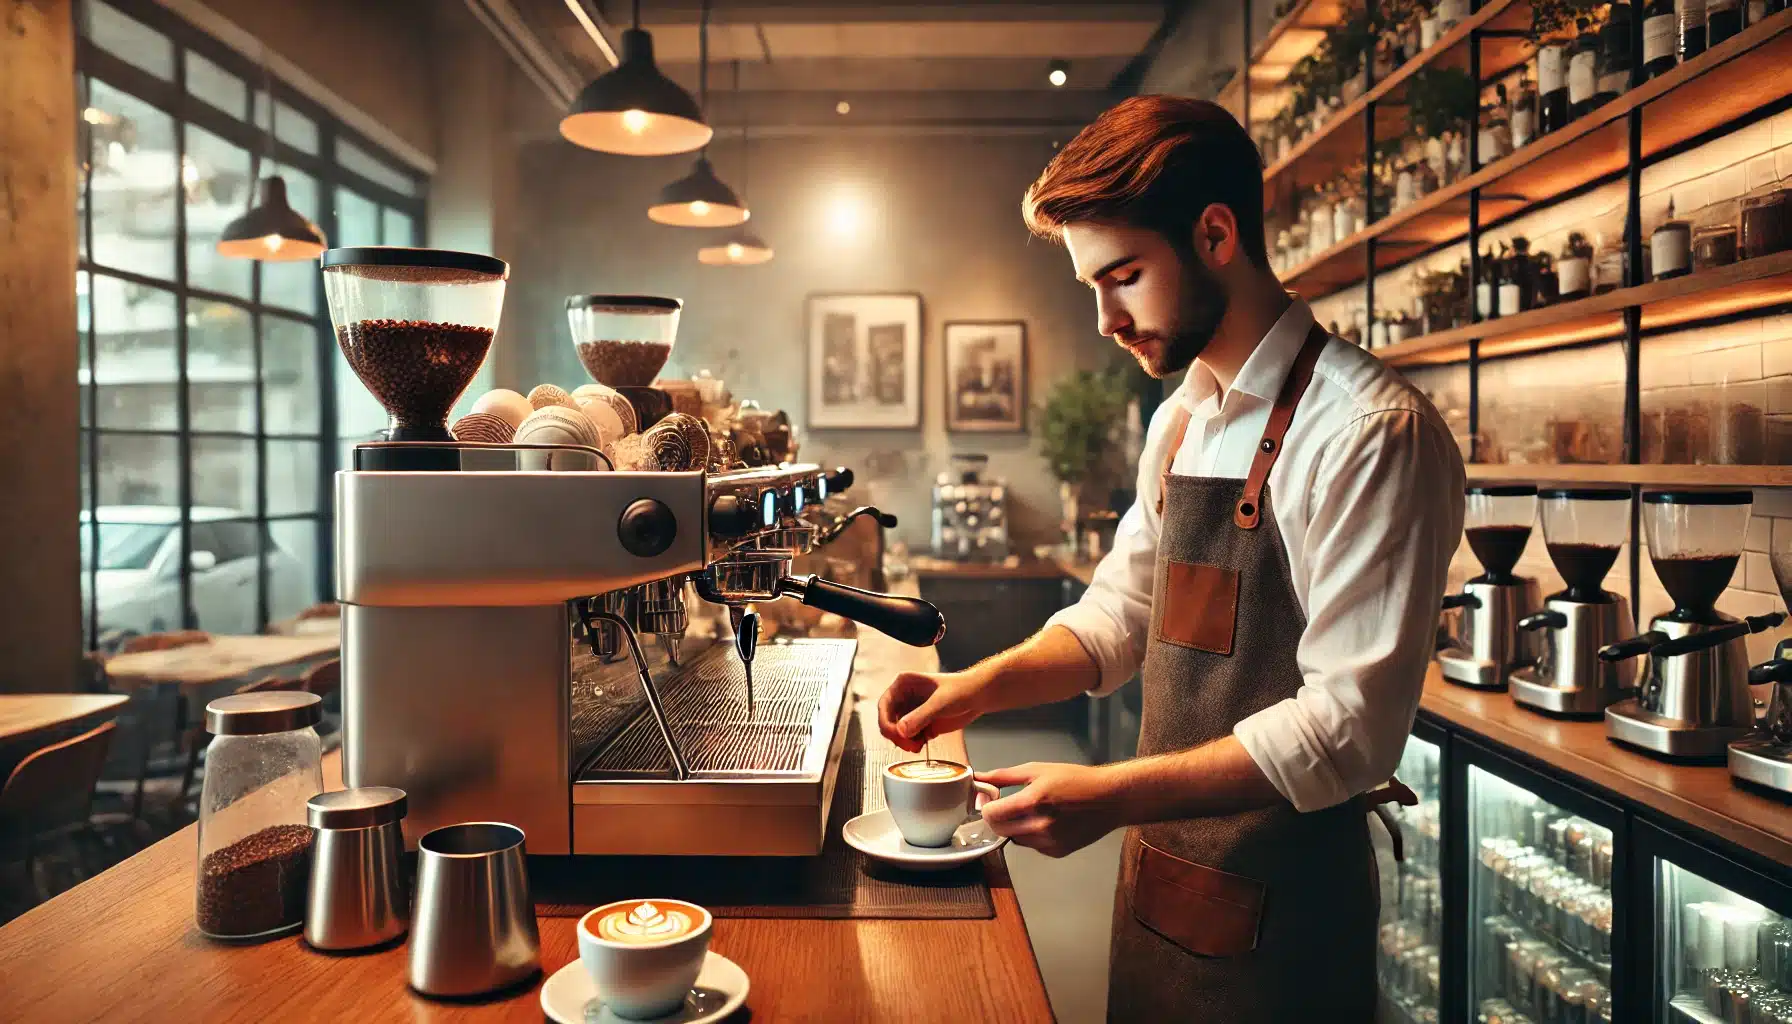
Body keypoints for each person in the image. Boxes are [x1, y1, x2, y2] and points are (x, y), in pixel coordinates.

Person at [876, 96, 1466, 1021]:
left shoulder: (1367, 432)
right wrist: (974, 687)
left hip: (1284, 917)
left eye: (1126, 276)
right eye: (1092, 287)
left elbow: (1348, 730)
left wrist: (1108, 795)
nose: (1107, 318)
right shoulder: (1182, 420)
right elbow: (1117, 621)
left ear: (1217, 233)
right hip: (1158, 883)